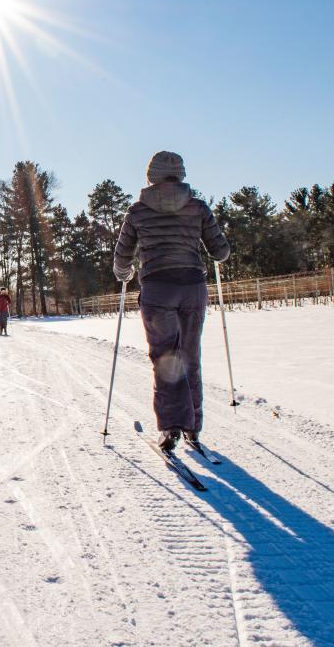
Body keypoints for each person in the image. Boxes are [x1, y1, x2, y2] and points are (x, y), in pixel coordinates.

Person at [113, 151, 229, 452]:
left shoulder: (137, 211)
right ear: (180, 174)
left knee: (166, 358)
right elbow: (220, 251)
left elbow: (122, 255)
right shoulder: (198, 207)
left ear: (150, 175)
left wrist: (124, 272)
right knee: (190, 355)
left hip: (157, 289)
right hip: (192, 286)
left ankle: (170, 428)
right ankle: (192, 427)